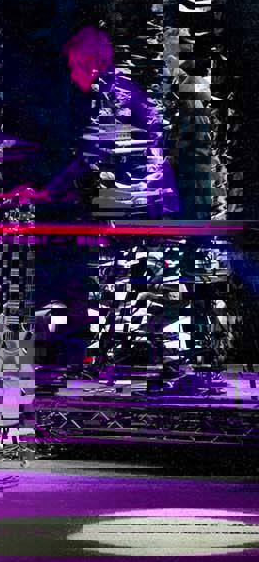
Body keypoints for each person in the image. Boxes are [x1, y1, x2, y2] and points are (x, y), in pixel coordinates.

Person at [12, 27, 203, 391]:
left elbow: (92, 155)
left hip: (146, 210)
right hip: (143, 206)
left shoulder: (113, 94)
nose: (72, 77)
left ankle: (145, 365)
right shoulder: (122, 92)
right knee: (126, 285)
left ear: (90, 64)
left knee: (139, 286)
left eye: (74, 68)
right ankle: (120, 363)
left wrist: (49, 194)